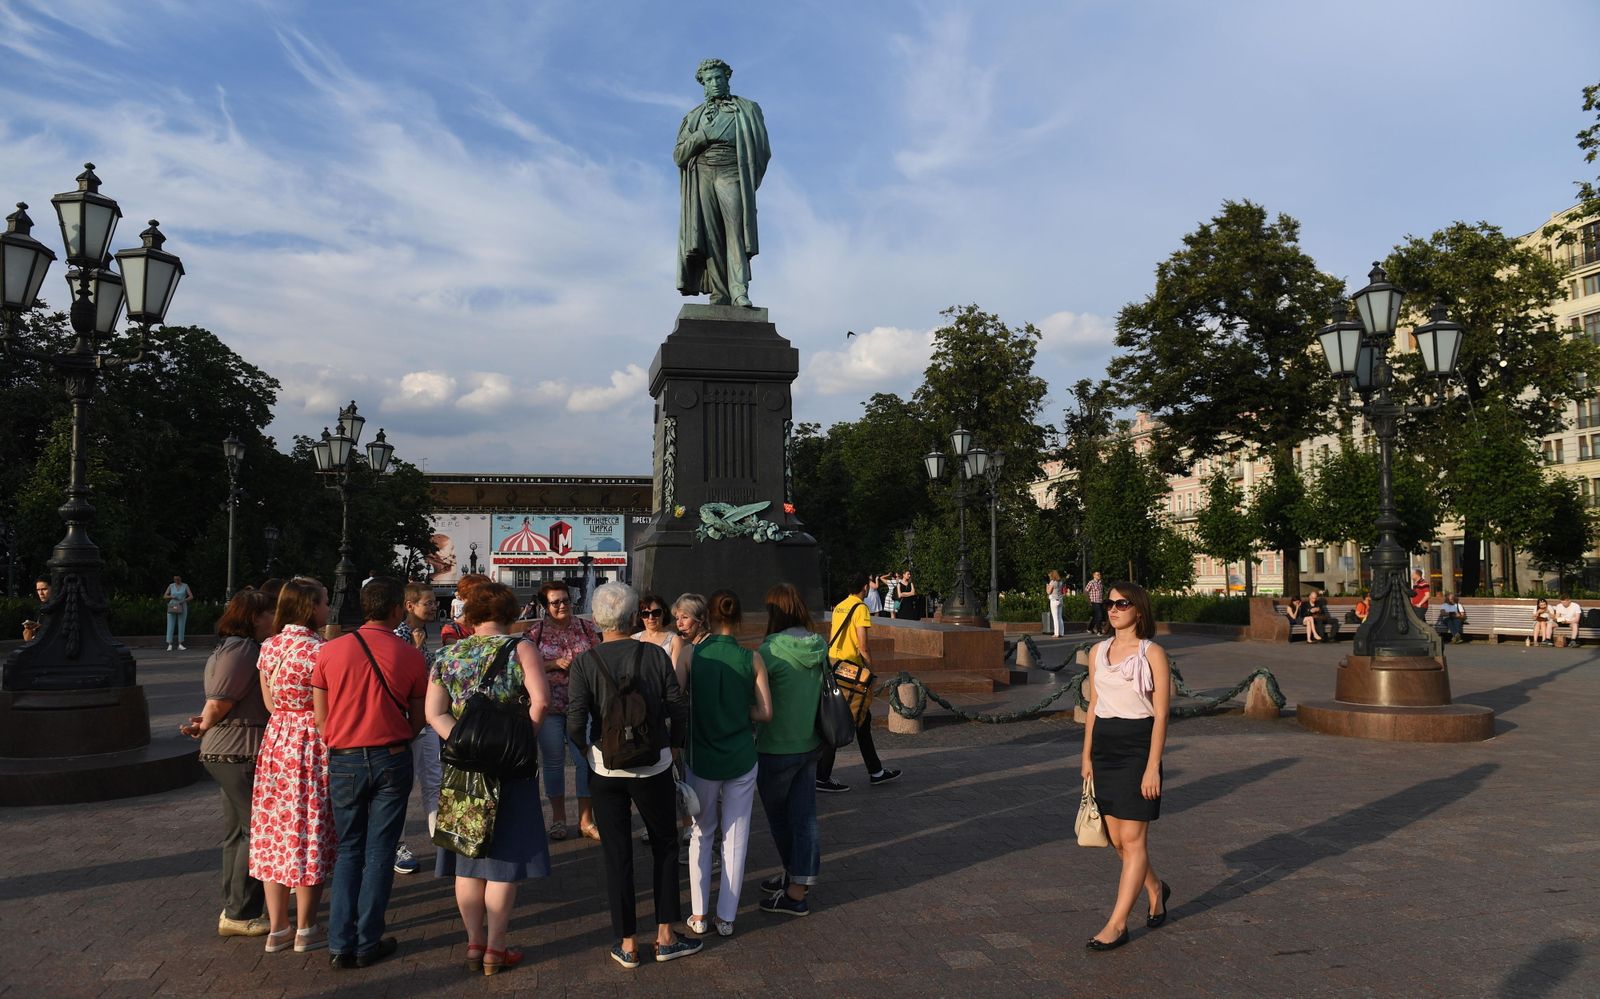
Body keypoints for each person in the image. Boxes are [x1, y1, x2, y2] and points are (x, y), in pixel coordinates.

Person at [565, 582, 700, 967]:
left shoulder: (585, 663)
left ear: (596, 621)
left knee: (617, 852)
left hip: (605, 766)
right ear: (632, 617)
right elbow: (678, 706)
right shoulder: (656, 656)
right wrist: (673, 745)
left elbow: (575, 721)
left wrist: (590, 749)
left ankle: (626, 942)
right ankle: (665, 934)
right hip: (653, 762)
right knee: (664, 844)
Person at [427, 581, 552, 975]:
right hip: (509, 768)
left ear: (471, 616)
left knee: (467, 858)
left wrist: (467, 743)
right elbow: (542, 701)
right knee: (502, 856)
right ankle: (496, 950)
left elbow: (434, 713)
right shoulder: (522, 649)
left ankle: (473, 942)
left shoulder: (446, 654)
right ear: (509, 613)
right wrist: (515, 742)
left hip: (463, 767)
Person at [312, 577, 429, 969]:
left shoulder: (330, 652)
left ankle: (338, 943)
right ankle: (367, 941)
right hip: (391, 757)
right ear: (398, 609)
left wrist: (342, 738)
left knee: (349, 851)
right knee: (379, 852)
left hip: (344, 757)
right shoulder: (410, 655)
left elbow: (321, 719)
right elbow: (418, 720)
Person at [1081, 581, 1172, 952]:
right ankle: (1154, 887)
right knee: (1118, 842)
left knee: (1133, 841)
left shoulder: (1153, 653)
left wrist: (1153, 766)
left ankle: (1117, 925)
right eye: (1110, 604)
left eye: (1122, 603)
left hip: (1138, 747)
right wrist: (1086, 756)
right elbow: (1093, 705)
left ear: (1138, 609)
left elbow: (1163, 713)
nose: (1114, 609)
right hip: (1104, 746)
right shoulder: (1097, 651)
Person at [249, 577, 336, 955]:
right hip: (312, 743)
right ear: (311, 607)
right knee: (309, 830)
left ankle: (277, 929)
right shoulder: (322, 651)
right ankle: (306, 929)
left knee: (274, 832)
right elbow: (326, 711)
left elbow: (269, 703)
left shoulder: (268, 647)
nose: (328, 608)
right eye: (324, 602)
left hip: (276, 741)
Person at [182, 587, 275, 940]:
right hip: (238, 750)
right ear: (254, 618)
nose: (274, 619)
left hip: (230, 750)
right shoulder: (243, 649)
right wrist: (204, 722)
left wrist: (203, 724)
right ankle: (240, 912)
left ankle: (235, 906)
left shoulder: (233, 647)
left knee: (239, 832)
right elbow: (220, 700)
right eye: (269, 613)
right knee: (256, 832)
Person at [684, 590, 772, 938]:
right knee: (736, 837)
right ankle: (726, 917)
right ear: (738, 620)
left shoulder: (691, 654)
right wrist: (739, 712)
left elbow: (678, 702)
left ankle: (698, 913)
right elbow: (765, 712)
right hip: (740, 757)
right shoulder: (752, 659)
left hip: (702, 757)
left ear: (708, 617)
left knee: (701, 834)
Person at [755, 583, 828, 917]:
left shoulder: (769, 652)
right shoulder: (819, 646)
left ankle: (796, 891)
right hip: (811, 742)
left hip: (775, 745)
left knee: (780, 820)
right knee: (805, 818)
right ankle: (796, 878)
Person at [674, 58, 771, 308]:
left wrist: (748, 182)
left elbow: (762, 150)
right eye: (709, 80)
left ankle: (739, 291)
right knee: (711, 236)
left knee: (735, 231)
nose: (715, 83)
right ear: (703, 85)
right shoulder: (694, 117)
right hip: (703, 173)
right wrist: (703, 135)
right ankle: (720, 293)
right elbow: (679, 155)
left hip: (732, 171)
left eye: (719, 78)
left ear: (727, 79)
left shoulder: (747, 109)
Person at [526, 580, 601, 841]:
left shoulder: (586, 627)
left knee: (585, 762)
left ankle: (585, 819)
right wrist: (552, 664)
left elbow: (599, 658)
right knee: (554, 763)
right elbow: (525, 667)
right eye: (555, 602)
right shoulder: (535, 633)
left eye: (565, 600)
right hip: (549, 707)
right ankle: (558, 819)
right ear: (545, 606)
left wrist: (584, 665)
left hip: (582, 706)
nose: (562, 606)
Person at [815, 573, 901, 793]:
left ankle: (876, 771)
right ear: (864, 587)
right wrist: (871, 669)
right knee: (842, 720)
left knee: (862, 719)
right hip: (851, 671)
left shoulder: (840, 606)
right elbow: (863, 645)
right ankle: (822, 776)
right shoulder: (860, 608)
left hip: (835, 665)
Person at [393, 581, 441, 876]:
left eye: (435, 602)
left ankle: (442, 840)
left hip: (427, 716)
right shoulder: (400, 635)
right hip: (405, 720)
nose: (434, 606)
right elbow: (402, 676)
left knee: (434, 779)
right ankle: (396, 845)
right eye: (428, 602)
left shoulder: (424, 632)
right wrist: (418, 649)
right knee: (402, 785)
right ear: (410, 606)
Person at [671, 592, 711, 688]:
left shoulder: (689, 650)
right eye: (677, 618)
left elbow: (677, 691)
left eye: (685, 617)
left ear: (700, 620)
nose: (679, 623)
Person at [632, 592, 683, 663]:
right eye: (645, 614)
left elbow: (676, 672)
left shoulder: (674, 640)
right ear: (640, 617)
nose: (651, 617)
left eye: (656, 613)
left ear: (664, 613)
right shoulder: (633, 639)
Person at [442, 574, 491, 646]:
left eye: (485, 596)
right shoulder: (452, 630)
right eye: (473, 596)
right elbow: (456, 653)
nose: (480, 601)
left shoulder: (499, 623)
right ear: (462, 597)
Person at [165, 574, 194, 651]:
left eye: (178, 579)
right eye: (175, 579)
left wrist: (183, 600)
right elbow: (165, 596)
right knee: (170, 624)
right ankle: (169, 644)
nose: (176, 580)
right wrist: (171, 596)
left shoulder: (185, 586)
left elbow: (191, 596)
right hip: (173, 605)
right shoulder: (171, 586)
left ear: (180, 578)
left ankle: (180, 643)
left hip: (182, 605)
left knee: (181, 624)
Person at [21, 576, 49, 642]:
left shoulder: (60, 608)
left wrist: (40, 627)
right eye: (38, 590)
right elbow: (27, 640)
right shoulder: (40, 609)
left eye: (44, 589)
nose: (41, 593)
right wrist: (28, 629)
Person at [1086, 571, 1107, 635]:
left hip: (1100, 601)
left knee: (1095, 616)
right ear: (1094, 576)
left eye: (1099, 574)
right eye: (1097, 575)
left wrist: (1103, 599)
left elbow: (1102, 592)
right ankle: (1099, 631)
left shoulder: (1101, 583)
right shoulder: (1091, 583)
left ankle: (1089, 628)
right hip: (1094, 601)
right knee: (1099, 615)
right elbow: (1086, 591)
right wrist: (1089, 600)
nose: (1099, 575)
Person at [1047, 570, 1065, 638]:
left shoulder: (1052, 582)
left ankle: (1056, 633)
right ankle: (1061, 632)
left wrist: (1047, 587)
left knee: (1055, 618)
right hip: (1060, 600)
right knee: (1060, 617)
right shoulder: (1060, 582)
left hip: (1054, 600)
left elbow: (1049, 592)